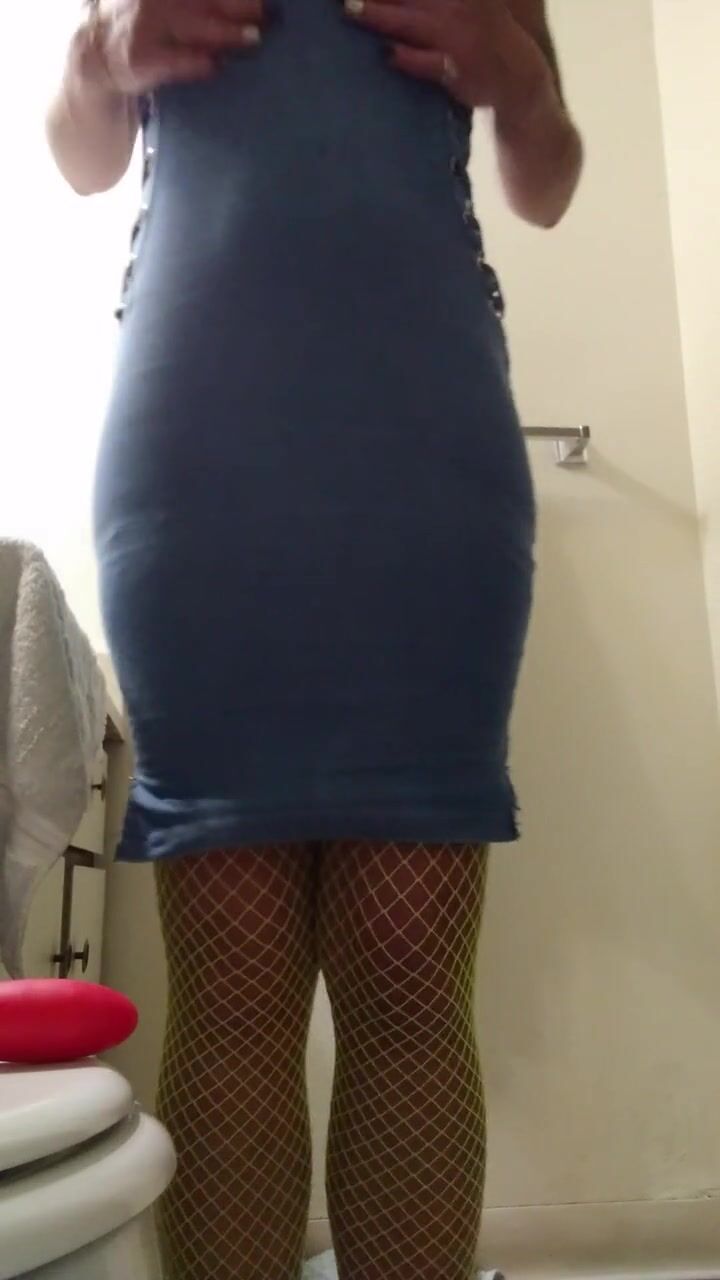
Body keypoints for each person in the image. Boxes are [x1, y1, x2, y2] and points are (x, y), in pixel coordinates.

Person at [47, 1, 582, 1276]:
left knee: (409, 975)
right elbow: (83, 157)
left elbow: (548, 180)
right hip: (201, 455)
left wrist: (517, 80)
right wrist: (100, 52)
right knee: (230, 990)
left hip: (423, 452)